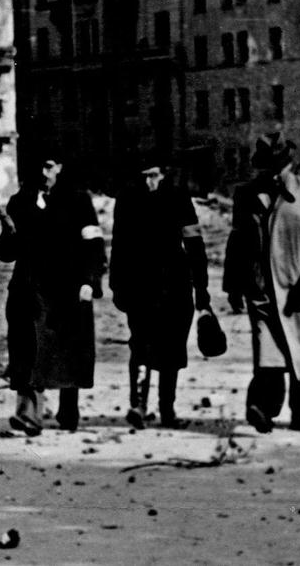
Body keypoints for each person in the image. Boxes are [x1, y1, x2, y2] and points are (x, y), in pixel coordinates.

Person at [223, 134, 300, 433]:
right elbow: (236, 241)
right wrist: (234, 285)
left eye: (276, 166)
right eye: (265, 166)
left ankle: (298, 409)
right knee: (267, 352)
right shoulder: (246, 195)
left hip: (298, 287)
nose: (271, 173)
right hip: (260, 287)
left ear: (288, 164)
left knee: (298, 351)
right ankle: (263, 408)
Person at [0, 149, 107, 434]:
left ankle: (68, 406)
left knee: (69, 350)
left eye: (48, 167)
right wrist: (7, 232)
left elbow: (93, 245)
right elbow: (7, 253)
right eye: (39, 167)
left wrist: (90, 281)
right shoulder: (19, 202)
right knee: (26, 349)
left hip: (67, 288)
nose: (43, 174)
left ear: (59, 167)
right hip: (29, 288)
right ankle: (29, 414)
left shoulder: (79, 200)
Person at [109, 150, 212, 429]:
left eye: (153, 176)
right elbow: (118, 245)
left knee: (172, 348)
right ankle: (138, 406)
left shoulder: (179, 198)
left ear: (164, 174)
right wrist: (116, 284)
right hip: (139, 285)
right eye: (144, 177)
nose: (148, 182)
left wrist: (201, 288)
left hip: (175, 285)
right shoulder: (127, 199)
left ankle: (167, 408)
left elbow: (194, 244)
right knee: (139, 344)